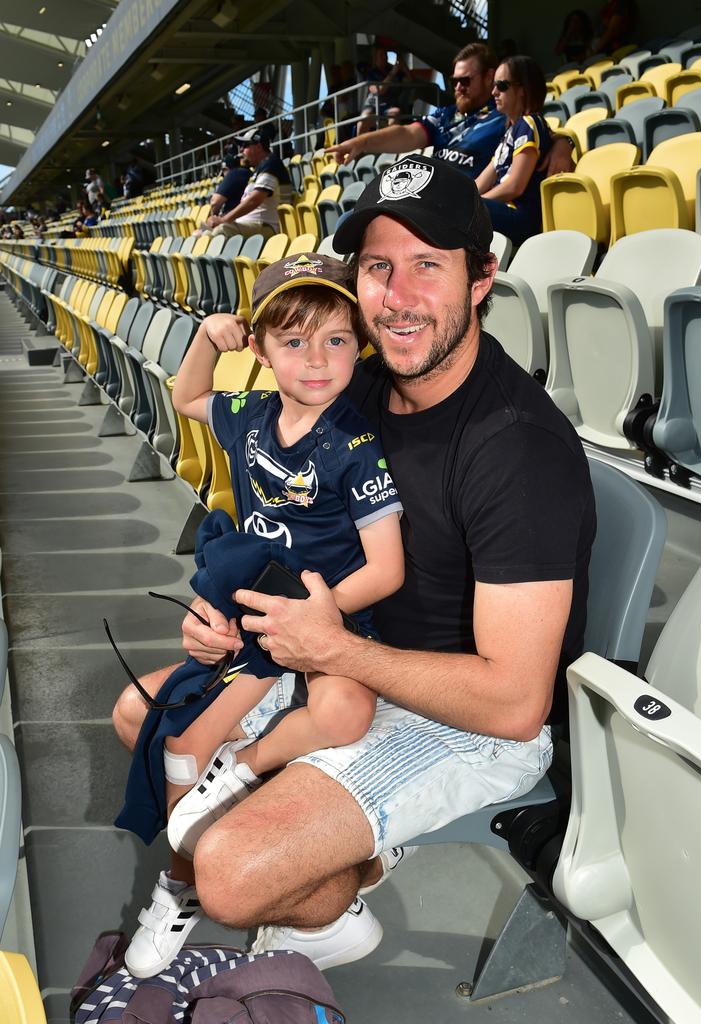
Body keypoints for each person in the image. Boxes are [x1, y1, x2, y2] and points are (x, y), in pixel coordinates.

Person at [112, 154, 596, 972]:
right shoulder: (356, 386)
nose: (398, 299)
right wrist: (229, 613)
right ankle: (328, 889)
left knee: (226, 873)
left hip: (464, 713)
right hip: (342, 657)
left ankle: (343, 870)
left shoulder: (518, 450)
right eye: (378, 268)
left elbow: (516, 703)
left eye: (427, 267)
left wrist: (331, 650)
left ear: (482, 279)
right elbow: (284, 519)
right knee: (138, 716)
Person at [118, 253, 404, 977]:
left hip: (323, 620)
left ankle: (244, 774)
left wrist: (312, 618)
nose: (316, 358)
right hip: (254, 617)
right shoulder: (247, 416)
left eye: (337, 340)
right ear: (263, 346)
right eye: (294, 340)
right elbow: (186, 398)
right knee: (179, 742)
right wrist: (210, 339)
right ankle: (180, 886)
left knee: (341, 716)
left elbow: (387, 568)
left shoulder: (353, 446)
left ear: (360, 345)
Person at [327, 42, 573, 181]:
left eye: (465, 80)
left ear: (489, 77)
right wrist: (360, 143)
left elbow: (541, 135)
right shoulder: (446, 114)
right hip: (433, 198)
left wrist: (564, 143)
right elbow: (407, 133)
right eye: (454, 80)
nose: (457, 87)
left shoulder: (506, 113)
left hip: (463, 211)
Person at [475, 56, 553, 245]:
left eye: (501, 85)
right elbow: (478, 184)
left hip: (521, 217)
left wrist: (471, 204)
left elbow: (514, 186)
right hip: (503, 211)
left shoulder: (529, 123)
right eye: (494, 85)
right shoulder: (510, 130)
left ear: (522, 90)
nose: (494, 92)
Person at [202, 127, 291, 238]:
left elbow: (254, 200)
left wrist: (223, 219)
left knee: (221, 232)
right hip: (251, 224)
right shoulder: (259, 169)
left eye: (245, 146)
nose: (241, 150)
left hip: (267, 226)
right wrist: (218, 218)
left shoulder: (271, 164)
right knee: (203, 234)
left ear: (258, 146)